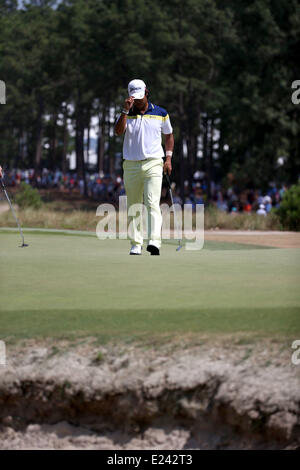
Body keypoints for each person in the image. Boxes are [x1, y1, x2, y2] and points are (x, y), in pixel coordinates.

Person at [115, 79, 174, 255]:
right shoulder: (126, 113)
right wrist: (125, 110)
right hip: (131, 164)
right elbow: (118, 131)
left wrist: (168, 159)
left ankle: (154, 242)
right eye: (135, 98)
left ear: (147, 92)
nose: (139, 101)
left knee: (152, 202)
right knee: (133, 205)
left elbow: (169, 135)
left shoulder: (161, 112)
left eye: (141, 97)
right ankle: (136, 243)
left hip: (154, 162)